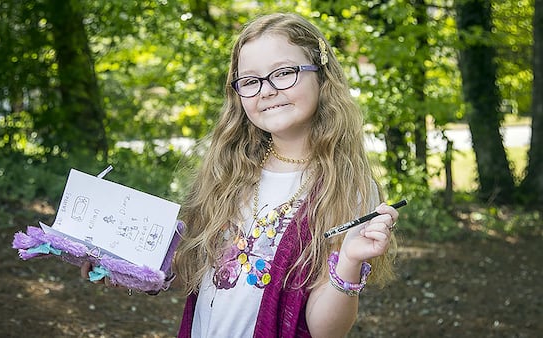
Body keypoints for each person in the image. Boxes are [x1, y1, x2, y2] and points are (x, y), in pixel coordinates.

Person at [83, 12, 399, 338]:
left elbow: (325, 331)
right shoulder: (229, 173)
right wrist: (124, 264)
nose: (266, 90)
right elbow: (194, 273)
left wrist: (347, 260)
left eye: (284, 72)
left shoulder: (346, 189)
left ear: (321, 76)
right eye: (250, 81)